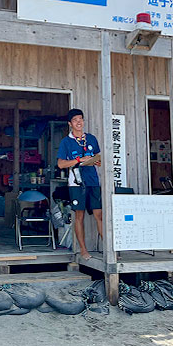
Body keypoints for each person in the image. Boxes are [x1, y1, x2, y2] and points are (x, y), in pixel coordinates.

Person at [57, 108, 102, 260]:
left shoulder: (91, 139)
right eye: (75, 120)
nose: (79, 122)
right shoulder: (66, 142)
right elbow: (61, 164)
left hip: (93, 181)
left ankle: (108, 250)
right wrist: (78, 160)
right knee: (79, 216)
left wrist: (95, 161)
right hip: (76, 183)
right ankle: (83, 250)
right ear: (70, 124)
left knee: (99, 215)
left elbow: (99, 159)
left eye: (81, 119)